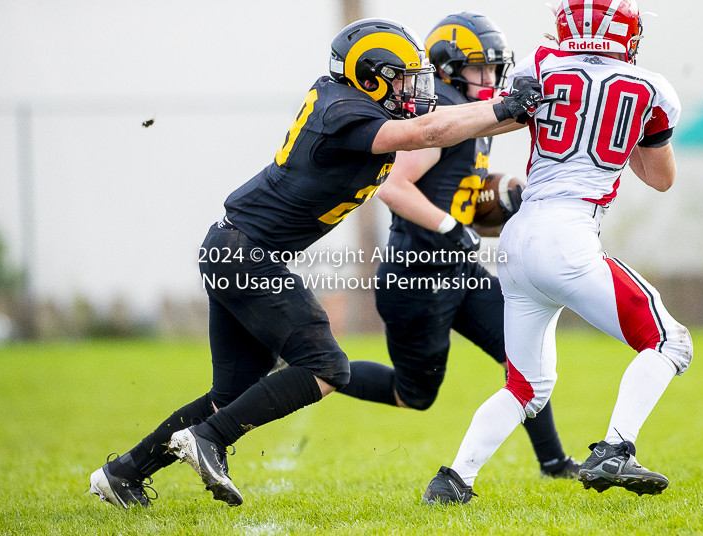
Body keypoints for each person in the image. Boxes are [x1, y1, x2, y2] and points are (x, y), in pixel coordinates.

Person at [87, 17, 542, 508]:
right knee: (327, 366)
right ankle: (209, 440)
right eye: (403, 78)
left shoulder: (348, 100)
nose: (415, 88)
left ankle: (124, 473)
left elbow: (436, 126)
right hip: (246, 254)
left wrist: (530, 108)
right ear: (370, 77)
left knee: (232, 392)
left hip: (233, 248)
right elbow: (427, 131)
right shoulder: (346, 112)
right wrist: (503, 105)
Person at [422, 0, 693, 504]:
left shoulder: (539, 65)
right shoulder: (653, 88)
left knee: (526, 387)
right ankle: (616, 447)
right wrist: (624, 126)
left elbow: (494, 120)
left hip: (517, 239)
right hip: (568, 236)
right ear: (626, 32)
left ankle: (454, 479)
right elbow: (661, 178)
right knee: (670, 344)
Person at [338, 12, 580, 486]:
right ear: (448, 68)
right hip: (417, 272)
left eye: (495, 69)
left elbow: (457, 191)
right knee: (414, 394)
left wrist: (501, 197)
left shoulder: (474, 115)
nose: (490, 79)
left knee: (523, 355)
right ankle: (317, 368)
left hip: (458, 270)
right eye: (479, 68)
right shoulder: (442, 112)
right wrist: (451, 224)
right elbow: (391, 185)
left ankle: (554, 463)